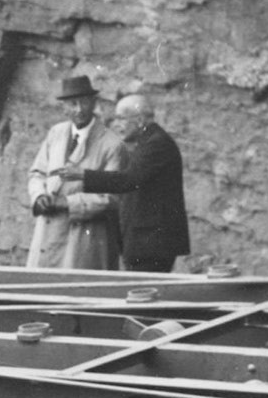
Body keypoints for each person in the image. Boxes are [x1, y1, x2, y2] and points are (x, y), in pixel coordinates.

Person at [55, 93, 190, 272]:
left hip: (151, 243)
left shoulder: (156, 144)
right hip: (147, 242)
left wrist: (83, 175)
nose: (117, 125)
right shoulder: (150, 142)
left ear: (140, 120)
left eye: (121, 119)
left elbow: (128, 180)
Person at [26, 75, 123, 269]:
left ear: (94, 103)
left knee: (75, 280)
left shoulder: (112, 144)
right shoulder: (56, 133)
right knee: (42, 281)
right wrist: (39, 196)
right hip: (48, 233)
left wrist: (67, 203)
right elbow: (37, 173)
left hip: (83, 237)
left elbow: (112, 197)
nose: (79, 109)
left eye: (84, 102)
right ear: (64, 107)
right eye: (72, 104)